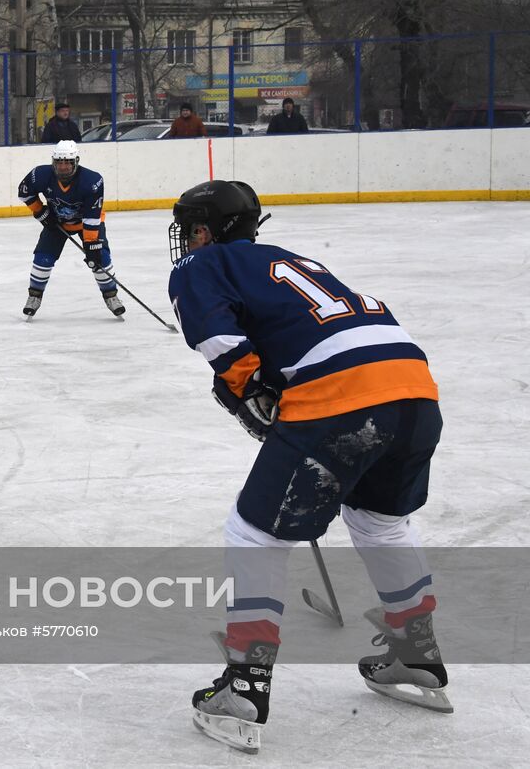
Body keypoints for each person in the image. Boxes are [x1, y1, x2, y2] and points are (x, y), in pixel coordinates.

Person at [169, 180, 449, 753]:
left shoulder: (205, 264)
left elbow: (220, 339)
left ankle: (245, 687)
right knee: (380, 520)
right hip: (414, 389)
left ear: (206, 229)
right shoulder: (292, 261)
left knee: (254, 534)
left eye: (191, 228)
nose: (188, 239)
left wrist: (254, 389)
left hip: (341, 395)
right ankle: (417, 654)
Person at [17, 140, 124, 319]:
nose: (63, 167)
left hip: (86, 224)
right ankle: (34, 296)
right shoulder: (40, 175)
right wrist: (41, 212)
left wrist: (91, 245)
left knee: (100, 259)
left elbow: (92, 215)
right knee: (42, 258)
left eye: (67, 162)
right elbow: (24, 192)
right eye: (59, 162)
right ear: (53, 162)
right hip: (57, 223)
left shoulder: (92, 181)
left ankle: (111, 296)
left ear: (76, 161)